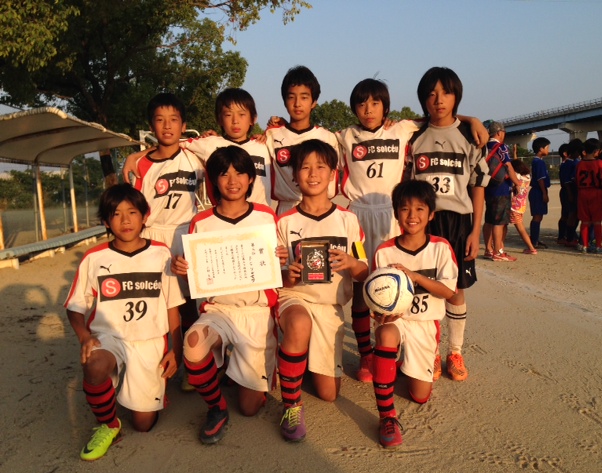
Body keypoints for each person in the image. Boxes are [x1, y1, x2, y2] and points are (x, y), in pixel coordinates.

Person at [336, 78, 489, 382]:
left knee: (398, 280)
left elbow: (440, 116)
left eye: (375, 103)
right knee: (362, 284)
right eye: (361, 104)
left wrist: (472, 119)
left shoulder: (402, 129)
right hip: (357, 219)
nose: (368, 109)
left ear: (386, 107)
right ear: (353, 108)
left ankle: (427, 348)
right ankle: (367, 354)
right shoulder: (343, 136)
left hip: (392, 216)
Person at [170, 146, 287, 444]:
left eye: (239, 173)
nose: (232, 180)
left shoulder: (266, 217)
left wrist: (282, 259)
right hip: (219, 311)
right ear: (213, 180)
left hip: (256, 312)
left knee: (249, 408)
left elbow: (281, 269)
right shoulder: (201, 222)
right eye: (223, 174)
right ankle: (216, 407)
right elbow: (194, 274)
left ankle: (238, 371)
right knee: (194, 344)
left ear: (251, 179)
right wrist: (182, 268)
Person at [64, 184, 184, 461]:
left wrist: (175, 351)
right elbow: (75, 306)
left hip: (149, 342)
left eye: (132, 212)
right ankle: (108, 424)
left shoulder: (161, 254)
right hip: (110, 338)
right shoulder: (94, 258)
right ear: (106, 222)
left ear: (144, 216)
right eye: (116, 214)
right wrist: (84, 337)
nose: (126, 220)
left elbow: (172, 306)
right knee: (94, 364)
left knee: (143, 424)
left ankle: (137, 391)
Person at [275, 139, 368, 442]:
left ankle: (294, 360)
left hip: (330, 308)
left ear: (332, 174)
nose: (313, 173)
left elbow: (364, 271)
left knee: (329, 394)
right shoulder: (284, 222)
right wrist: (289, 276)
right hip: (295, 298)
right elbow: (275, 278)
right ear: (294, 175)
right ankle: (291, 405)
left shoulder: (348, 220)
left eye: (320, 167)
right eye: (305, 167)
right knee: (299, 323)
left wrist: (351, 262)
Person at [408, 66, 490, 382]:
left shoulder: (470, 136)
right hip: (423, 223)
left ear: (457, 96)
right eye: (431, 94)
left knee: (456, 289)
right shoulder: (414, 137)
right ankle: (429, 350)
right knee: (425, 287)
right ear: (423, 99)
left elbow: (478, 186)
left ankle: (454, 351)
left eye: (446, 93)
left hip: (459, 222)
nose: (438, 100)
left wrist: (475, 231)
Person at [123, 93, 204, 391]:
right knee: (157, 304)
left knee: (189, 304)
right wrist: (133, 156)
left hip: (185, 236)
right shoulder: (139, 165)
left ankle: (193, 365)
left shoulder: (195, 157)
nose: (167, 126)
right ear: (151, 126)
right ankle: (160, 362)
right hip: (152, 236)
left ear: (183, 125)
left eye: (173, 120)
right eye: (160, 120)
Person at [370, 179, 457, 448]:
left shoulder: (441, 247)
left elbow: (448, 292)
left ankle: (396, 364)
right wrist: (379, 315)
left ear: (431, 214)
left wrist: (415, 277)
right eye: (405, 209)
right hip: (397, 322)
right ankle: (387, 416)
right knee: (385, 334)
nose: (412, 215)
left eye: (420, 209)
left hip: (424, 324)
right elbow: (375, 298)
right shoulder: (385, 251)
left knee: (420, 396)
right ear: (396, 213)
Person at [123, 88, 271, 207]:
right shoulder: (209, 144)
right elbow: (171, 142)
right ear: (219, 119)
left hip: (261, 220)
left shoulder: (264, 145)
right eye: (228, 115)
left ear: (253, 119)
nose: (235, 121)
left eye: (242, 114)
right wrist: (135, 156)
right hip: (224, 220)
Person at [267, 66, 341, 216]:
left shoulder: (327, 138)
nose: (297, 103)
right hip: (287, 209)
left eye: (304, 97)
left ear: (314, 102)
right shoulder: (272, 136)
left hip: (320, 208)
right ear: (284, 101)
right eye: (291, 97)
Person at [481, 120, 520, 262]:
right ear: (499, 132)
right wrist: (517, 183)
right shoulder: (501, 147)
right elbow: (508, 166)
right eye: (503, 132)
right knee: (500, 221)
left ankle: (488, 249)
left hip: (488, 187)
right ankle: (498, 251)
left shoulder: (484, 147)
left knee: (489, 219)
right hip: (501, 188)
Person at [575, 138, 602, 253]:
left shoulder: (580, 164)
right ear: (596, 151)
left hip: (582, 192)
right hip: (596, 192)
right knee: (597, 221)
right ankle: (598, 246)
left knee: (585, 221)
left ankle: (584, 245)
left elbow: (577, 180)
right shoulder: (600, 163)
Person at [528, 137, 552, 250]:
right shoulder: (539, 162)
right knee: (537, 216)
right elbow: (540, 179)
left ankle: (535, 239)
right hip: (538, 191)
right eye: (547, 147)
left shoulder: (537, 161)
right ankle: (534, 241)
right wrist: (544, 193)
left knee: (538, 216)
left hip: (537, 191)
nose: (548, 150)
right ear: (541, 149)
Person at [510, 160, 537, 253]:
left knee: (520, 229)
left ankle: (531, 248)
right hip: (521, 206)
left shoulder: (516, 177)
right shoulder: (527, 177)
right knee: (520, 226)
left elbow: (513, 175)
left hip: (514, 206)